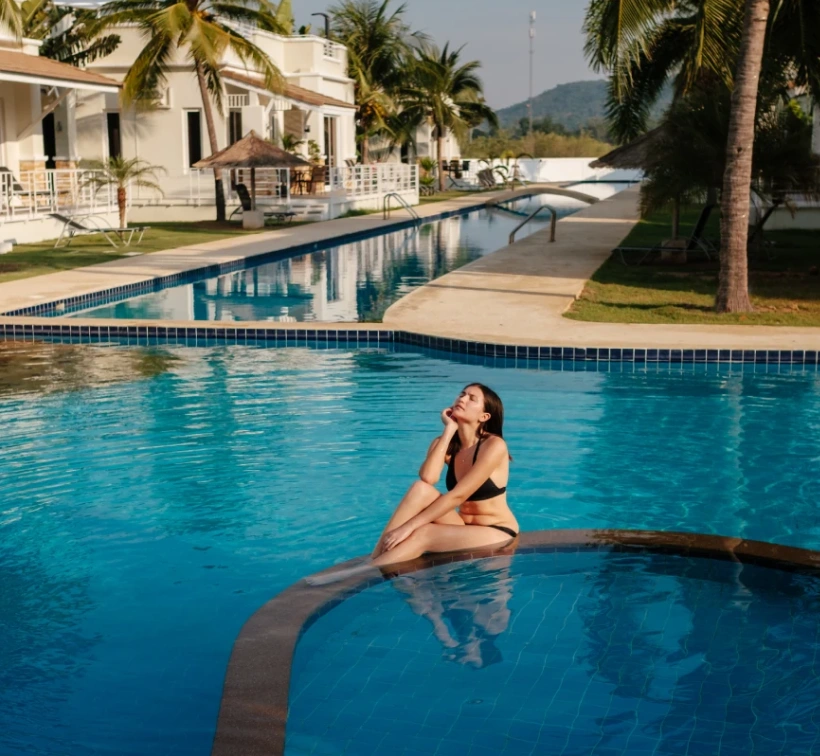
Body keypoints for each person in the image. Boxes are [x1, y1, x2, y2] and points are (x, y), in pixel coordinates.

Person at [370, 383, 519, 567]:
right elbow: (428, 478)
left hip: (497, 530)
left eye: (471, 398)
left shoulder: (493, 445)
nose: (462, 399)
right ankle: (375, 558)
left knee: (424, 533)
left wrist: (408, 527)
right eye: (462, 394)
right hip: (463, 526)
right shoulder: (446, 444)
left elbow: (459, 495)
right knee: (420, 489)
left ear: (484, 416)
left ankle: (364, 573)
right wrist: (449, 430)